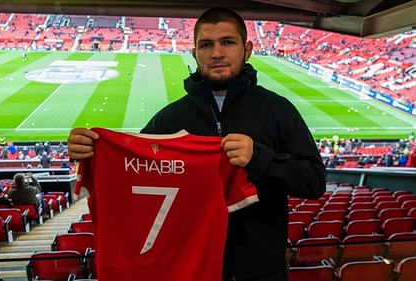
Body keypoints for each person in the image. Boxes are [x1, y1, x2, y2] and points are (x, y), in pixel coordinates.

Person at [67, 7, 325, 281]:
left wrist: (260, 159)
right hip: (187, 269)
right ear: (194, 53)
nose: (217, 53)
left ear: (246, 49)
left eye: (227, 42)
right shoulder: (170, 119)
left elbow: (314, 181)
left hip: (260, 270)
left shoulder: (277, 111)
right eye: (206, 45)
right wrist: (93, 151)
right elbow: (132, 171)